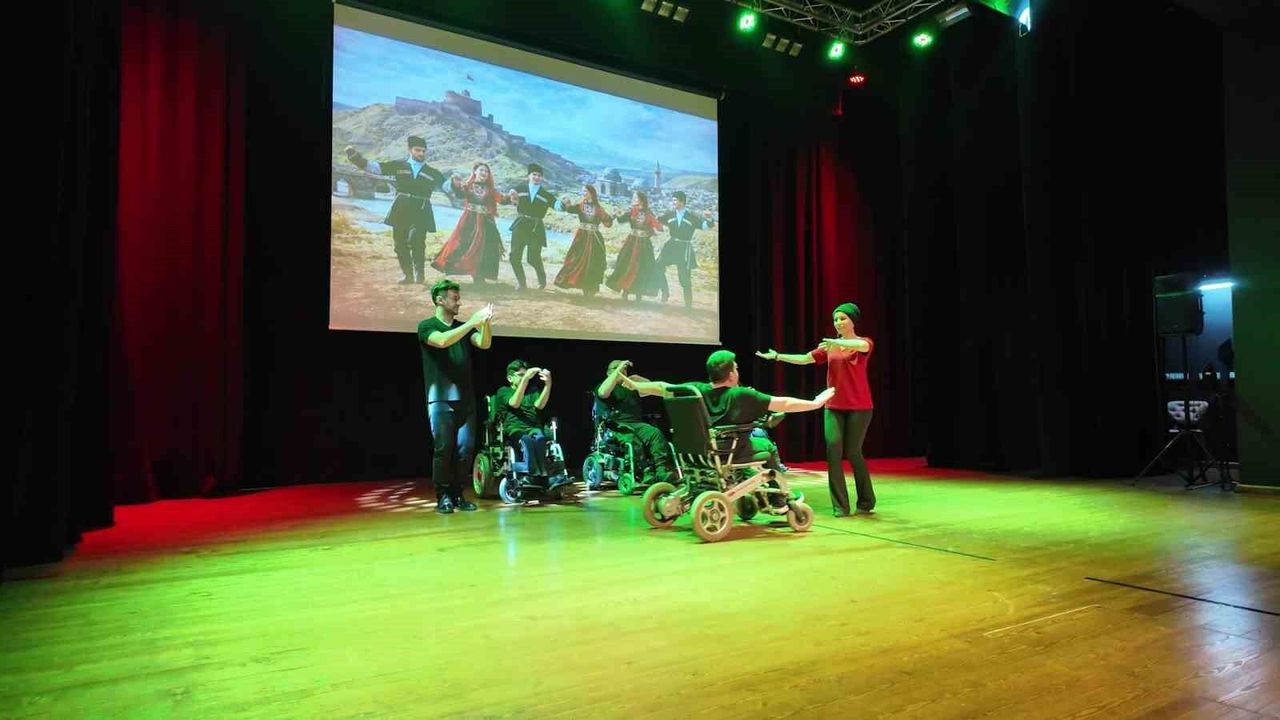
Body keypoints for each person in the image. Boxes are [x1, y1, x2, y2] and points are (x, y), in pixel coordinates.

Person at [757, 302, 874, 517]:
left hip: (860, 406)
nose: (838, 322)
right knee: (833, 449)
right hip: (833, 405)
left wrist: (836, 342)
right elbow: (805, 359)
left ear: (853, 321)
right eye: (835, 319)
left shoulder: (863, 342)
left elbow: (862, 346)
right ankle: (840, 506)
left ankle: (866, 501)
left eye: (842, 318)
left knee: (853, 451)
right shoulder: (830, 346)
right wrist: (778, 356)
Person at [628, 350, 834, 466]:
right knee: (766, 445)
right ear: (731, 374)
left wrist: (636, 385)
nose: (737, 371)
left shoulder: (695, 390)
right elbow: (784, 403)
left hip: (694, 452)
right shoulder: (741, 395)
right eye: (735, 368)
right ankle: (779, 498)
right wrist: (815, 403)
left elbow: (662, 387)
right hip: (726, 451)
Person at [418, 279, 493, 513]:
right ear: (440, 300)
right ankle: (443, 497)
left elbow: (484, 343)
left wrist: (485, 324)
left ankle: (458, 495)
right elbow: (442, 341)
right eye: (455, 298)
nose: (459, 302)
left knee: (464, 451)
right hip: (440, 398)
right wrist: (471, 322)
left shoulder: (462, 327)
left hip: (465, 400)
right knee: (444, 449)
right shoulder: (427, 326)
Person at [345, 136, 451, 285]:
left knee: (416, 240)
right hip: (401, 209)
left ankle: (419, 276)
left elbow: (447, 186)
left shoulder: (433, 172)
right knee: (399, 244)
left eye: (423, 151)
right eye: (418, 150)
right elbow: (375, 167)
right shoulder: (398, 165)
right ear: (410, 150)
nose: (421, 153)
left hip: (421, 210)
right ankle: (408, 276)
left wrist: (457, 184)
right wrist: (355, 158)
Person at [595, 359, 675, 486]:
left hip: (636, 424)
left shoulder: (630, 387)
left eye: (625, 370)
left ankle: (662, 470)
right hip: (616, 426)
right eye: (618, 369)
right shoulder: (603, 386)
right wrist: (619, 369)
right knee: (633, 439)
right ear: (608, 372)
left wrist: (637, 379)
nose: (622, 371)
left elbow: (650, 386)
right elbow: (603, 393)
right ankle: (643, 472)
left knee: (655, 433)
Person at [431, 162, 508, 285]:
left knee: (484, 248)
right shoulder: (468, 186)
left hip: (485, 222)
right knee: (462, 244)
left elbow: (501, 199)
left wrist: (510, 198)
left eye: (486, 171)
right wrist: (455, 185)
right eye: (481, 170)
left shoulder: (491, 190)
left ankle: (479, 276)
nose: (484, 173)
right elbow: (459, 194)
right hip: (469, 221)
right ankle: (451, 266)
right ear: (475, 172)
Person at [495, 359, 569, 488]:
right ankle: (532, 476)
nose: (525, 378)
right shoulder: (503, 391)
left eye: (525, 375)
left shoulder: (532, 391)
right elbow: (514, 403)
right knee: (527, 441)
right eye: (520, 375)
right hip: (514, 429)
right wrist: (526, 379)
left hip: (533, 427)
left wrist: (548, 383)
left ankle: (545, 477)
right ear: (510, 378)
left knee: (540, 439)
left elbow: (540, 405)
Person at [506, 163, 562, 291]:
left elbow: (557, 205)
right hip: (520, 225)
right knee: (514, 256)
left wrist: (564, 203)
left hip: (536, 228)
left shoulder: (546, 194)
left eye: (539, 175)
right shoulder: (519, 189)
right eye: (534, 175)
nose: (536, 177)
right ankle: (522, 283)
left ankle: (542, 279)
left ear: (542, 178)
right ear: (529, 176)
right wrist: (511, 194)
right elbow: (509, 196)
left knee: (533, 258)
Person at [653, 191, 713, 309]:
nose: (673, 202)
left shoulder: (692, 216)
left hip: (684, 249)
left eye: (675, 200)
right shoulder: (669, 214)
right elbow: (656, 220)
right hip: (671, 246)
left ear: (682, 201)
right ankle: (665, 291)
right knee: (658, 266)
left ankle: (688, 305)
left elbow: (706, 226)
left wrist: (709, 218)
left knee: (684, 278)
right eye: (673, 200)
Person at [553, 184, 614, 297]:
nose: (583, 193)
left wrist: (612, 217)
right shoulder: (580, 206)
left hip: (594, 238)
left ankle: (590, 288)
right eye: (583, 191)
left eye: (585, 191)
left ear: (591, 193)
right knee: (576, 259)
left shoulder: (599, 209)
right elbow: (569, 209)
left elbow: (608, 223)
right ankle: (571, 282)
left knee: (593, 262)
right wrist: (565, 202)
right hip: (581, 238)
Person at [605, 191, 662, 301]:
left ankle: (638, 293)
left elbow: (657, 226)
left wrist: (658, 224)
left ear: (641, 200)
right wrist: (616, 214)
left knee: (642, 267)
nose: (633, 199)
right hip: (631, 242)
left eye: (635, 198)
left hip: (644, 244)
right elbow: (621, 220)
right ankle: (625, 291)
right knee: (626, 264)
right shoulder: (632, 211)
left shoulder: (649, 213)